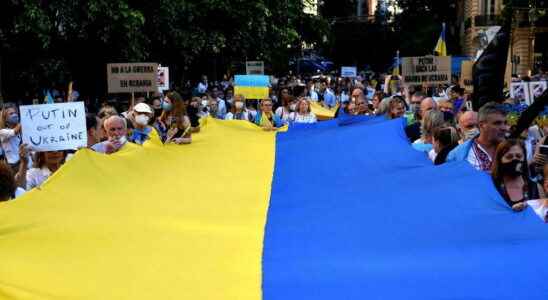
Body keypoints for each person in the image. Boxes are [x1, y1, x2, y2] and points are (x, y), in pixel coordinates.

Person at [447, 102, 510, 172]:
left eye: (505, 123)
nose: (504, 128)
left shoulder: (515, 149)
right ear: (482, 125)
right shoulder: (457, 155)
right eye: (497, 123)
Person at [491, 139, 539, 211]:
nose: (514, 160)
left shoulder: (533, 187)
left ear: (524, 159)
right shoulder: (491, 186)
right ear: (500, 160)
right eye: (509, 157)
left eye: (519, 156)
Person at [0, 103, 22, 170]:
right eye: (11, 114)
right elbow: (14, 132)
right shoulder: (2, 132)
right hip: (14, 165)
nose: (15, 115)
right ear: (5, 118)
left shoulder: (20, 130)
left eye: (15, 112)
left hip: (23, 161)